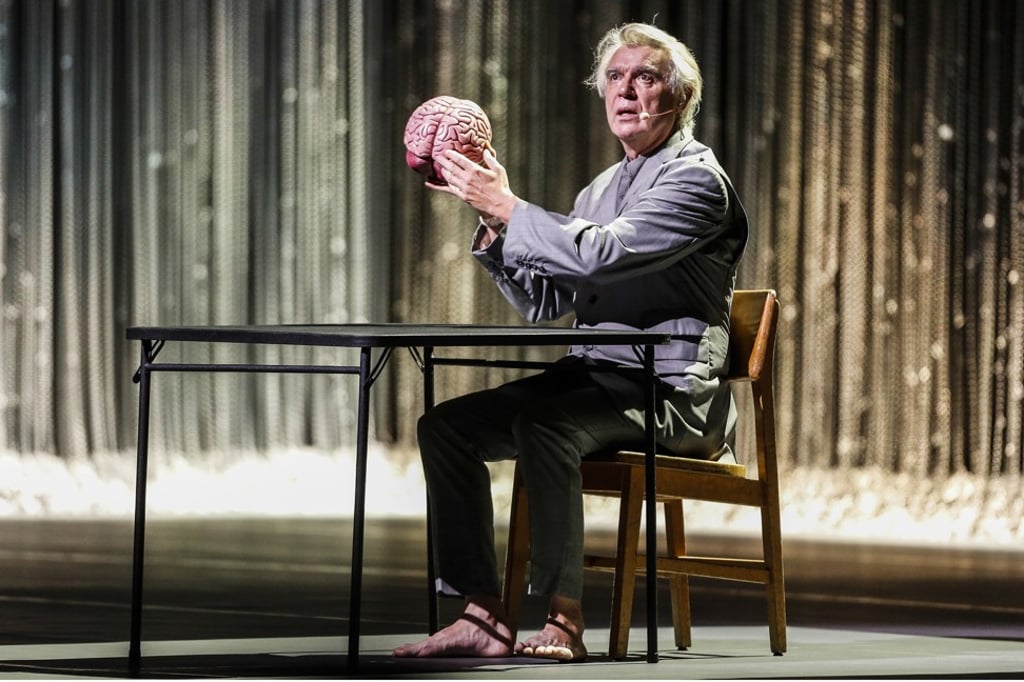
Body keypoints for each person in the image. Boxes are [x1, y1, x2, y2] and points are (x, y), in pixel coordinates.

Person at [394, 22, 748, 662]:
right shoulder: (599, 190)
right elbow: (549, 300)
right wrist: (491, 218)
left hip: (669, 394)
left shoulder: (697, 182)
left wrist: (510, 206)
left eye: (647, 76)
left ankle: (564, 619)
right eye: (616, 77)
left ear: (681, 96)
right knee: (447, 427)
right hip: (597, 381)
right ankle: (481, 613)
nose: (627, 90)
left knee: (545, 425)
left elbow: (600, 255)